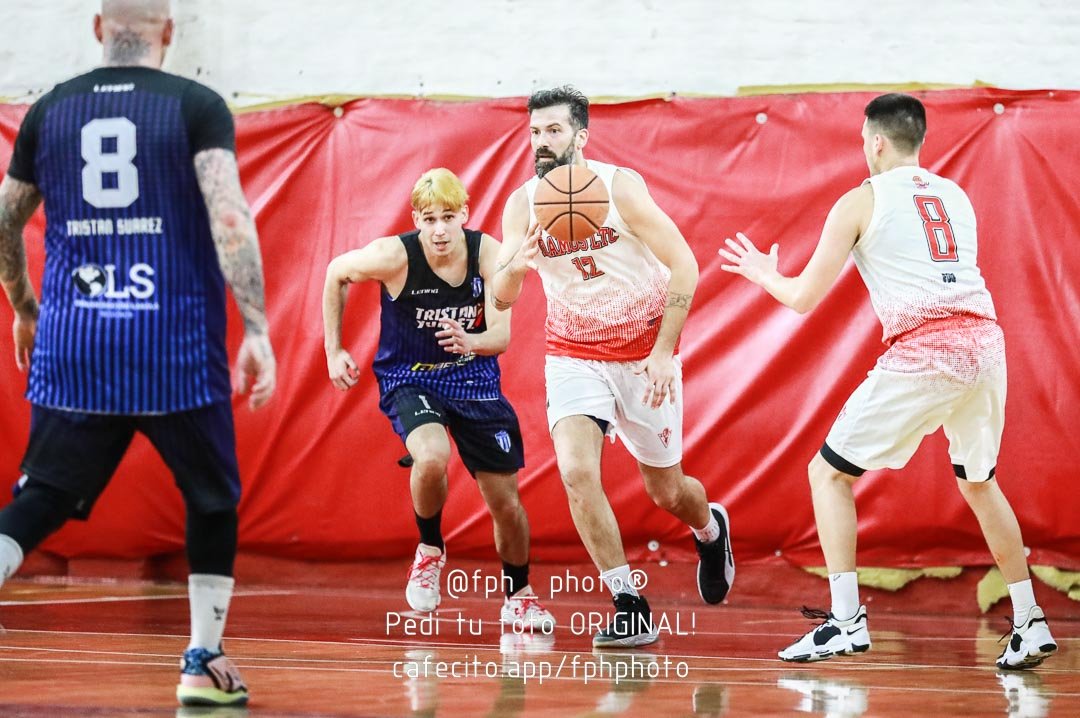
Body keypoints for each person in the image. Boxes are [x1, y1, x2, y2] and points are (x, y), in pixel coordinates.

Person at [0, 0, 276, 707]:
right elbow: (228, 216)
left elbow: (5, 222)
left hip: (77, 342)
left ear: (98, 29)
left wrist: (25, 306)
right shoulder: (195, 104)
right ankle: (200, 662)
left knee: (39, 504)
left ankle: (202, 662)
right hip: (173, 345)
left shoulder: (49, 112)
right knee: (212, 500)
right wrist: (256, 328)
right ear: (168, 34)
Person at [719, 93, 1056, 669]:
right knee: (980, 483)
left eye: (861, 140)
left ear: (875, 141)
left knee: (826, 474)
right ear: (917, 140)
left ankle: (846, 622)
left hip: (928, 348)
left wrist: (764, 274)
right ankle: (1030, 621)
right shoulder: (955, 196)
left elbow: (803, 299)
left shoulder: (859, 200)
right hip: (986, 343)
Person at [493, 86, 734, 648]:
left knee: (668, 491)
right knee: (576, 472)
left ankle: (709, 527)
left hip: (643, 352)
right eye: (534, 132)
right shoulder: (522, 204)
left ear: (581, 135)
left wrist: (663, 352)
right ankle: (628, 600)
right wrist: (517, 264)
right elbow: (502, 298)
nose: (541, 142)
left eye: (553, 131)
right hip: (573, 353)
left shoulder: (620, 188)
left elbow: (685, 266)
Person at [322, 168, 554, 632]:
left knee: (505, 503)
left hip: (474, 379)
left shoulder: (486, 252)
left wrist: (472, 342)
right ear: (417, 220)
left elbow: (501, 336)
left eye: (449, 216)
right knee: (430, 456)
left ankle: (519, 595)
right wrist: (334, 348)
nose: (440, 229)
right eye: (430, 219)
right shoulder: (394, 255)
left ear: (465, 215)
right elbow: (336, 272)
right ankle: (429, 549)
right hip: (411, 377)